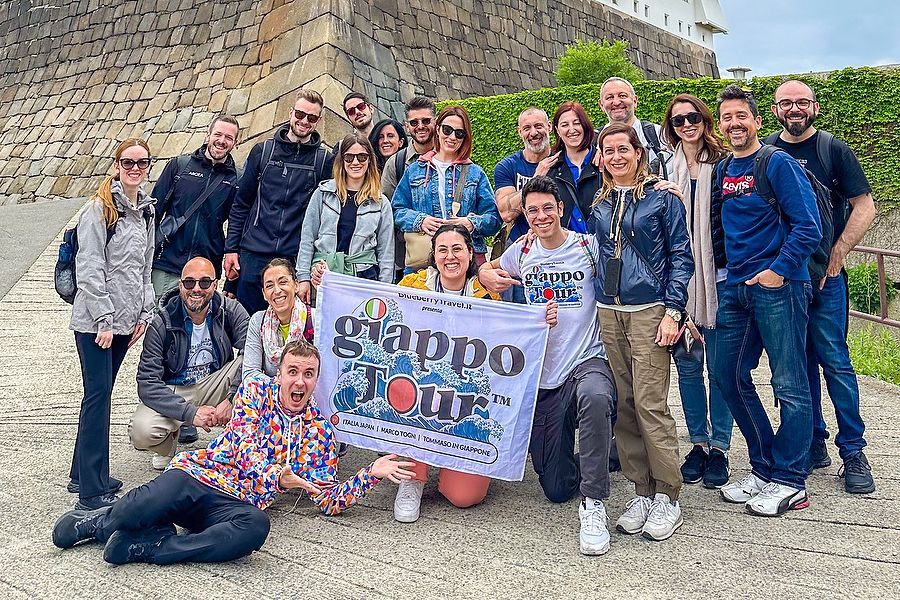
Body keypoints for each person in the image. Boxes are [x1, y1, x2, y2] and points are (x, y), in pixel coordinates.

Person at [52, 341, 415, 565]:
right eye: (293, 372)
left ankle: (153, 547)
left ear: (316, 380)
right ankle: (100, 524)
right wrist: (278, 476)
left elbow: (326, 499)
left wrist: (372, 473)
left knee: (255, 529)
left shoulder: (319, 430)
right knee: (133, 509)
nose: (300, 381)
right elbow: (242, 447)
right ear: (279, 374)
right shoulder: (257, 389)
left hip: (238, 503)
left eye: (308, 374)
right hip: (198, 477)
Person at [479, 176, 616, 555]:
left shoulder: (587, 246)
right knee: (555, 488)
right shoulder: (522, 252)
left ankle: (593, 502)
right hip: (545, 375)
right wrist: (483, 274)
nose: (541, 216)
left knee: (595, 397)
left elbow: (631, 240)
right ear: (525, 213)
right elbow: (488, 271)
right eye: (533, 210)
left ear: (561, 209)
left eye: (548, 208)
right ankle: (605, 451)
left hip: (587, 360)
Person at [712, 85, 821, 516]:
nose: (734, 123)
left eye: (742, 115)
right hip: (736, 288)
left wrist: (777, 272)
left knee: (790, 383)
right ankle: (764, 466)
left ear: (758, 120)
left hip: (780, 287)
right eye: (727, 117)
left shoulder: (777, 163)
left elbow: (807, 226)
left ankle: (791, 479)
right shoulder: (723, 169)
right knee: (726, 375)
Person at [767, 79, 877, 494]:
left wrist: (840, 252)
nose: (794, 110)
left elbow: (864, 205)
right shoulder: (767, 154)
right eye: (786, 104)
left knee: (835, 361)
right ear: (775, 110)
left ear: (814, 107)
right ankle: (812, 440)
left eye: (802, 103)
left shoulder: (833, 150)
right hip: (785, 280)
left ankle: (853, 450)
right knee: (796, 363)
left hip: (826, 279)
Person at [592, 123, 693, 541]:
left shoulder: (661, 198)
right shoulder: (599, 202)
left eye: (623, 149)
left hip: (649, 308)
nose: (616, 157)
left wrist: (674, 311)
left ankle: (667, 493)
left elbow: (681, 257)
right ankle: (641, 489)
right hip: (608, 309)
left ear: (638, 152)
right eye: (608, 150)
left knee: (652, 403)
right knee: (626, 404)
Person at [368, 224, 500, 524]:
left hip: (462, 402)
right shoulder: (413, 287)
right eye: (442, 250)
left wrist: (542, 319)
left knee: (465, 497)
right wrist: (329, 283)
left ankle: (444, 468)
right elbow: (379, 316)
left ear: (470, 253)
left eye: (457, 249)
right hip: (417, 395)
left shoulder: (488, 297)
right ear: (433, 256)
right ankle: (413, 475)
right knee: (402, 388)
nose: (450, 257)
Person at [67, 138, 156, 509]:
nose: (135, 169)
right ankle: (91, 490)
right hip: (95, 323)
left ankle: (83, 473)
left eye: (142, 163)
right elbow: (89, 268)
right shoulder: (100, 210)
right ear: (117, 166)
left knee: (100, 395)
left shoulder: (146, 212)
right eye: (129, 162)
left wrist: (145, 313)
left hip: (124, 322)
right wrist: (104, 318)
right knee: (98, 397)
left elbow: (144, 269)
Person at [660, 94, 734, 489]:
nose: (686, 125)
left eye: (692, 118)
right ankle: (698, 443)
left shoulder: (724, 165)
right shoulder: (662, 168)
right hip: (680, 280)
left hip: (718, 278)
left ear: (705, 121)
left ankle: (720, 447)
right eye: (678, 121)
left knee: (721, 368)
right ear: (670, 128)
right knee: (688, 368)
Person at [132, 257, 249, 470]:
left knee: (251, 362)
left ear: (215, 285)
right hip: (177, 388)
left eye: (205, 282)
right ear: (180, 286)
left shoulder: (230, 310)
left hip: (216, 382)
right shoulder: (162, 322)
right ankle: (168, 444)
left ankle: (239, 444)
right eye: (189, 282)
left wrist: (232, 397)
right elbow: (147, 383)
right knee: (141, 432)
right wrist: (190, 413)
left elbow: (252, 355)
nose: (197, 289)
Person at [223, 89, 333, 315]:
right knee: (247, 327)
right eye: (300, 114)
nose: (304, 121)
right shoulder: (262, 152)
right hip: (254, 252)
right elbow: (241, 204)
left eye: (311, 118)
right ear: (290, 112)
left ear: (319, 121)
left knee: (289, 327)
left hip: (293, 256)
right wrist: (231, 249)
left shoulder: (323, 161)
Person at [392, 105, 501, 272]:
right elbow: (396, 210)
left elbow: (494, 219)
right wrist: (420, 221)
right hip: (424, 261)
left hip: (466, 261)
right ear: (437, 129)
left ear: (465, 137)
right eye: (447, 130)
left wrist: (471, 223)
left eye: (459, 133)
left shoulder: (475, 173)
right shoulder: (414, 170)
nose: (452, 137)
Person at [296, 133, 395, 301]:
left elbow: (386, 252)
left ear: (369, 160)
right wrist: (303, 277)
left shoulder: (380, 202)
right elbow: (307, 238)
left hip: (363, 277)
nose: (355, 162)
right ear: (341, 161)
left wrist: (384, 290)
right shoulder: (322, 194)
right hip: (324, 274)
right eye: (349, 157)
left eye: (362, 157)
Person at [150, 115, 241, 299]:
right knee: (157, 321)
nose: (222, 141)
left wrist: (232, 281)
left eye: (229, 138)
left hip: (205, 270)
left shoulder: (237, 180)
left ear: (236, 143)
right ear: (207, 135)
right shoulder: (179, 166)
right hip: (167, 263)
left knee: (195, 325)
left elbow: (238, 228)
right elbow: (153, 213)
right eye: (218, 134)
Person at [492, 106, 555, 302]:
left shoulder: (563, 160)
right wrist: (536, 177)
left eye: (538, 126)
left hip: (558, 249)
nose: (533, 133)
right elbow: (505, 212)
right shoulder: (507, 167)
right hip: (522, 251)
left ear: (550, 127)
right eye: (527, 128)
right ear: (520, 132)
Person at [382, 96, 437, 282]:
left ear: (435, 122)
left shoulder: (452, 158)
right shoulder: (395, 163)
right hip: (410, 257)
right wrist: (419, 221)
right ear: (407, 126)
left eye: (426, 121)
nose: (420, 126)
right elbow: (388, 212)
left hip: (450, 256)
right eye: (414, 122)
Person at [243, 258, 314, 381]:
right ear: (264, 294)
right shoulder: (258, 321)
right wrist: (281, 385)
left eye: (283, 282)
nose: (277, 290)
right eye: (269, 285)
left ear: (296, 285)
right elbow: (249, 373)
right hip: (272, 393)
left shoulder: (316, 319)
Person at [544, 102, 600, 235]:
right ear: (557, 130)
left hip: (603, 246)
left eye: (577, 123)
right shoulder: (550, 168)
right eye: (565, 125)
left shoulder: (602, 162)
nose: (572, 129)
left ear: (585, 126)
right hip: (568, 249)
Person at [597, 77, 667, 171]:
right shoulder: (593, 141)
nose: (616, 102)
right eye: (610, 97)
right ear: (601, 105)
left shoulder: (658, 134)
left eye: (622, 96)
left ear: (635, 100)